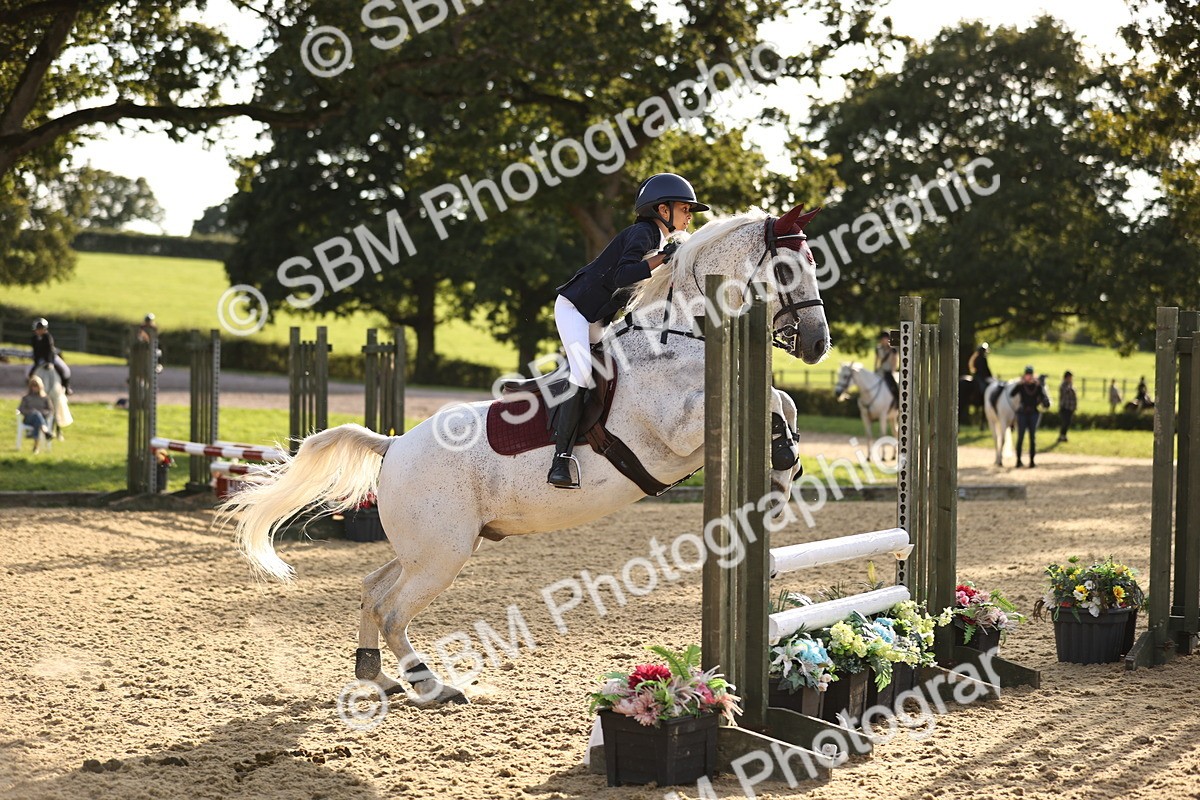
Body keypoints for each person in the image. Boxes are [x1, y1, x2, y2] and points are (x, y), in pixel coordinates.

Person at [547, 172, 707, 488]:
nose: (689, 214)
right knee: (581, 373)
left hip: (599, 317)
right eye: (685, 207)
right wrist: (663, 258)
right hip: (576, 310)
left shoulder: (660, 239)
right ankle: (560, 460)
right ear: (663, 210)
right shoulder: (643, 233)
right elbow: (622, 276)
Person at [1010, 365, 1050, 467]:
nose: (1028, 377)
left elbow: (1044, 398)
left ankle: (1032, 461)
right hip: (1022, 413)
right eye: (1027, 375)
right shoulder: (1021, 386)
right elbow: (1012, 394)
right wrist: (1019, 384)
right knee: (1020, 437)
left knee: (1032, 438)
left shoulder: (1037, 386)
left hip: (1033, 413)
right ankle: (1018, 460)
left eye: (1030, 375)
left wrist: (1044, 399)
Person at [29, 318, 72, 395]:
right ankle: (30, 388)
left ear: (45, 329)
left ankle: (66, 387)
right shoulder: (34, 339)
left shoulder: (48, 337)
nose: (39, 331)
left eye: (41, 329)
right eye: (37, 329)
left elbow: (49, 351)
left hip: (51, 358)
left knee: (66, 371)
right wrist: (36, 362)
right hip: (39, 360)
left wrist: (49, 362)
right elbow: (35, 352)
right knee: (28, 372)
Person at [18, 375, 53, 452]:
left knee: (37, 420)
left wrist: (42, 413)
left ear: (40, 386)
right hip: (28, 419)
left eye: (36, 386)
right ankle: (45, 431)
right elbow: (21, 409)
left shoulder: (45, 398)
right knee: (36, 415)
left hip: (41, 419)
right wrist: (31, 412)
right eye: (33, 386)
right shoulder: (26, 398)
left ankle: (36, 447)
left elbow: (50, 410)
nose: (34, 388)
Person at [874, 331, 899, 408]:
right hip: (881, 370)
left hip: (889, 371)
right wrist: (875, 369)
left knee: (893, 386)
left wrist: (893, 371)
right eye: (883, 339)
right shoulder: (878, 349)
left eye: (886, 339)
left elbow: (895, 360)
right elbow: (877, 359)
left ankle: (897, 400)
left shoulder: (892, 350)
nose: (884, 340)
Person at [1057, 371, 1077, 443]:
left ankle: (1063, 436)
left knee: (1068, 422)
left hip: (1070, 407)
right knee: (1065, 422)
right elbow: (1067, 391)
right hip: (1064, 407)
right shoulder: (1063, 385)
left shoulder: (1071, 385)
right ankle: (1061, 436)